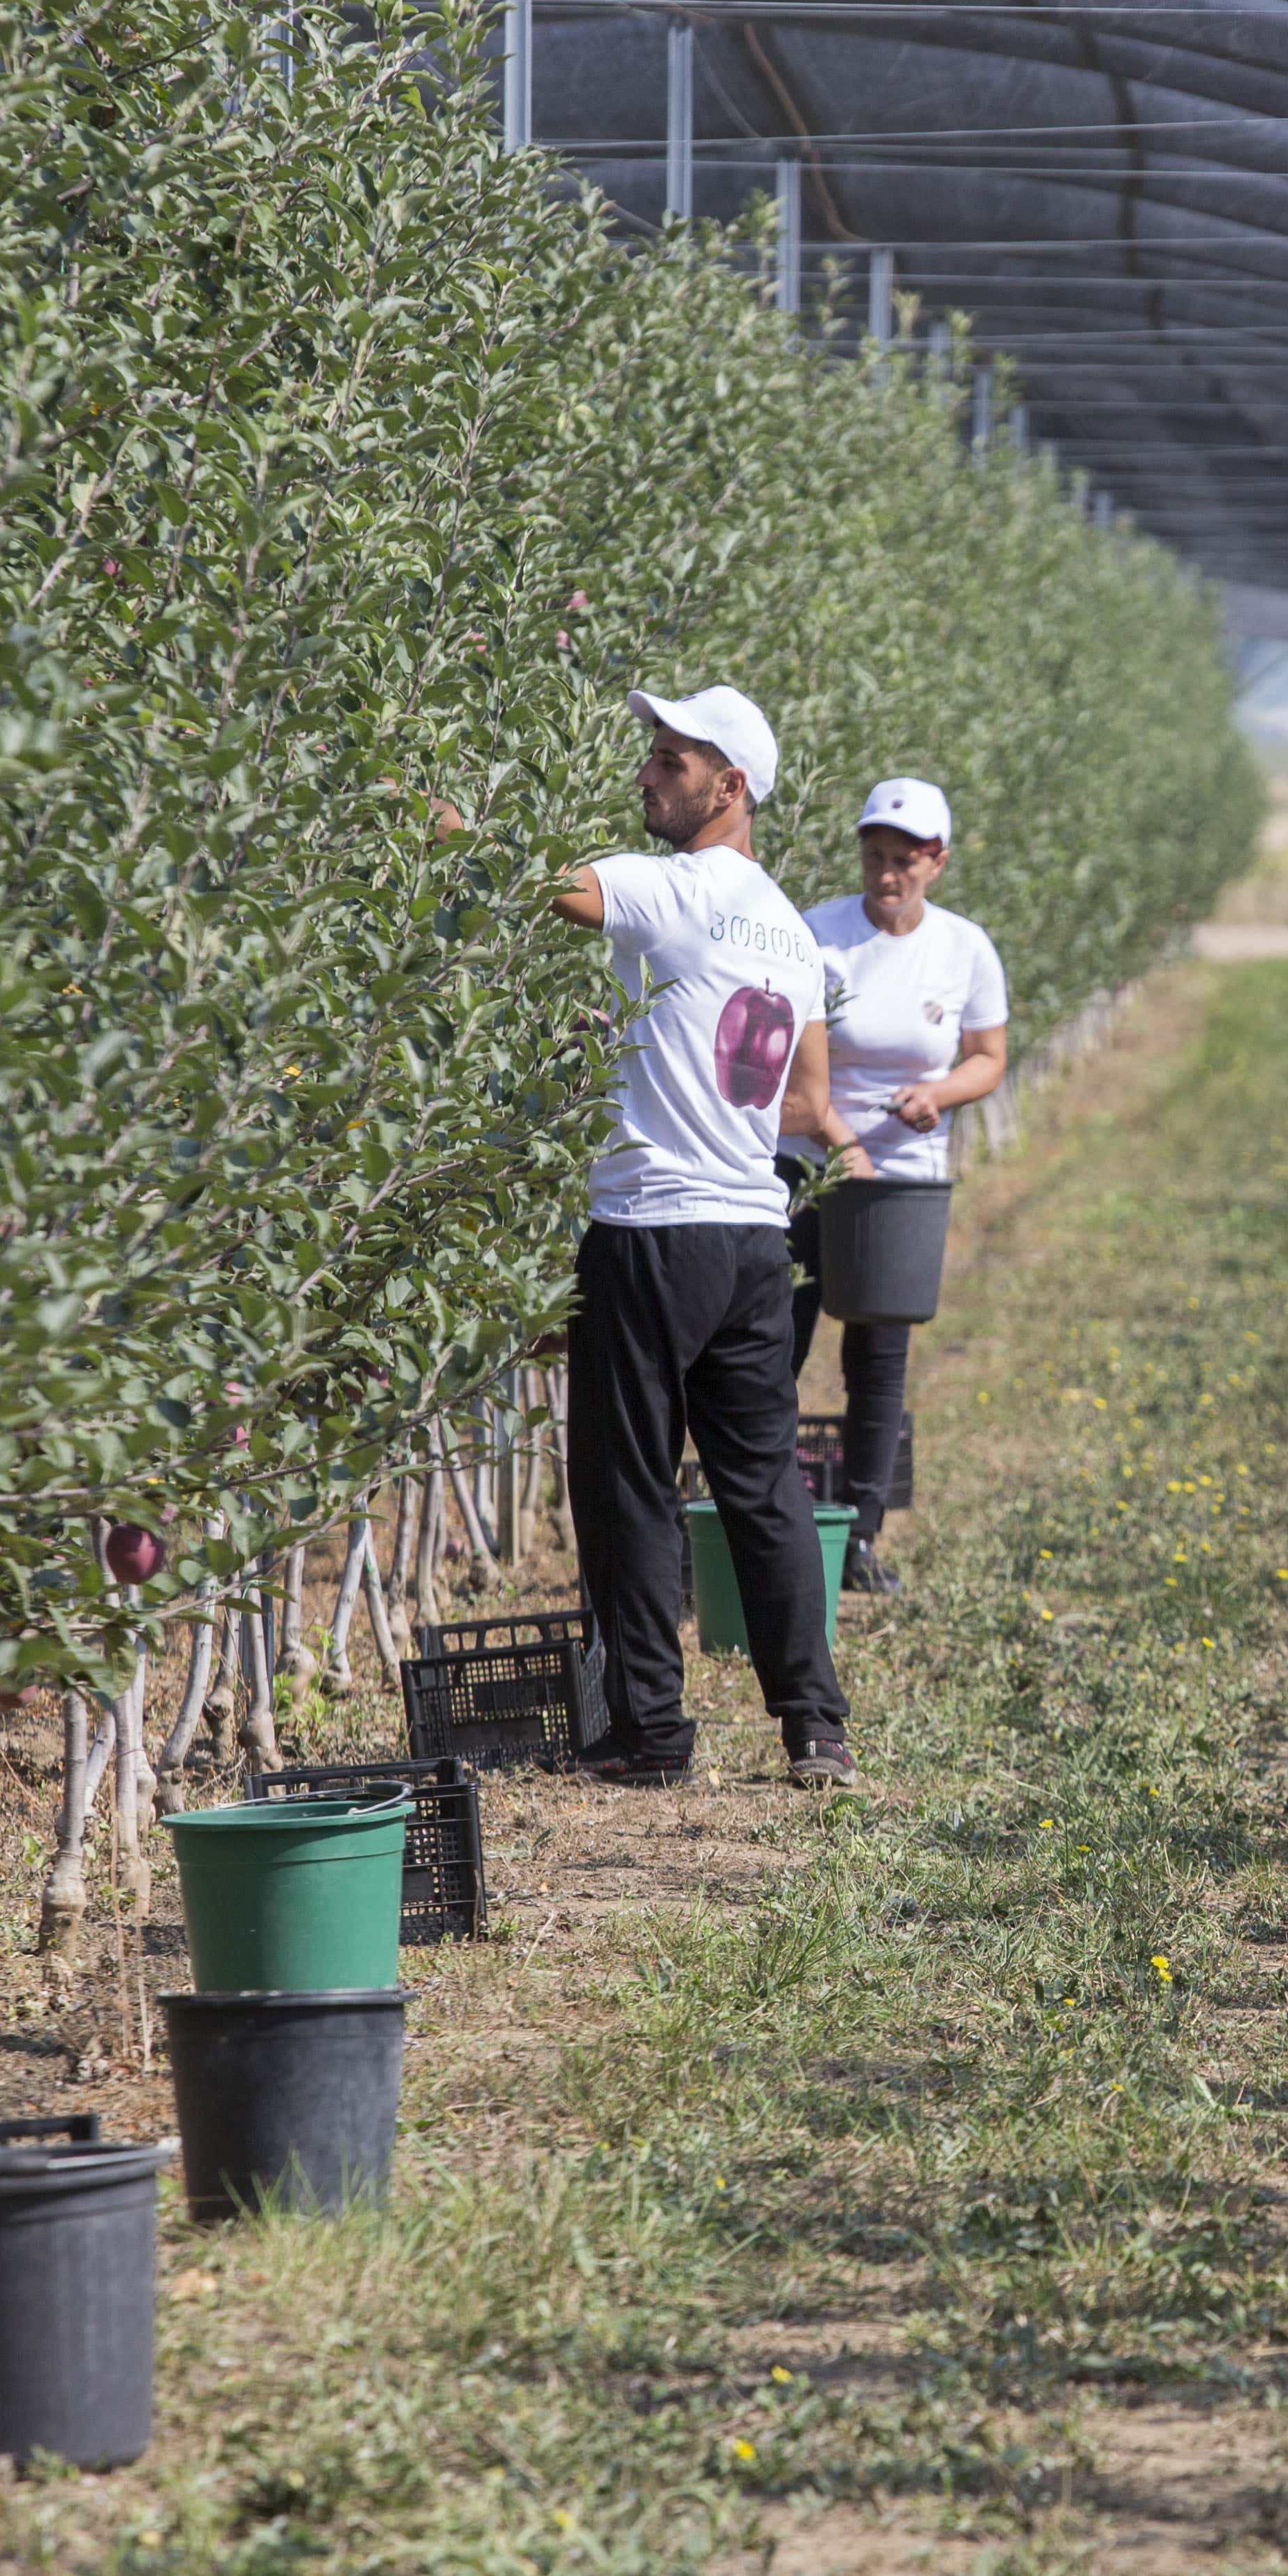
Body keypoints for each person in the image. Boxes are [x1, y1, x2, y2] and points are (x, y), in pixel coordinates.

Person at [546, 685, 856, 1789]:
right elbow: (806, 1098)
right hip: (752, 1239)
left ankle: (651, 1734)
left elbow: (545, 884)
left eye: (670, 761)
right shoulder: (790, 928)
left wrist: (415, 802)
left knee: (627, 1481)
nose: (645, 774)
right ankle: (814, 1726)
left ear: (729, 787)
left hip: (650, 1231)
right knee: (764, 1486)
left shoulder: (675, 889)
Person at [784, 776, 1009, 1598]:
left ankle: (859, 1537)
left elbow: (988, 1058)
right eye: (876, 856)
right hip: (806, 1166)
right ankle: (774, 1530)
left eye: (905, 862)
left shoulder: (964, 950)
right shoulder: (816, 937)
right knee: (777, 1343)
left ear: (937, 863)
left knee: (879, 1356)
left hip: (902, 1182)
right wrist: (838, 1141)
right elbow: (786, 1060)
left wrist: (938, 1095)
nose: (887, 874)